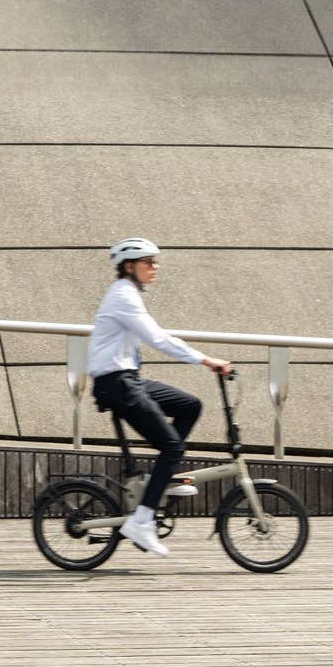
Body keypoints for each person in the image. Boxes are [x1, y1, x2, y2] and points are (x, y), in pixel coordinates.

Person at [87, 237, 231, 558]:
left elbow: (155, 336)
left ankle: (158, 480)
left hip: (128, 380)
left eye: (155, 261)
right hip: (116, 384)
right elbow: (157, 338)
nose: (155, 267)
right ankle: (142, 520)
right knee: (173, 447)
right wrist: (207, 361)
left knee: (190, 405)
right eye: (148, 262)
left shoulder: (128, 294)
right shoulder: (123, 295)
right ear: (129, 266)